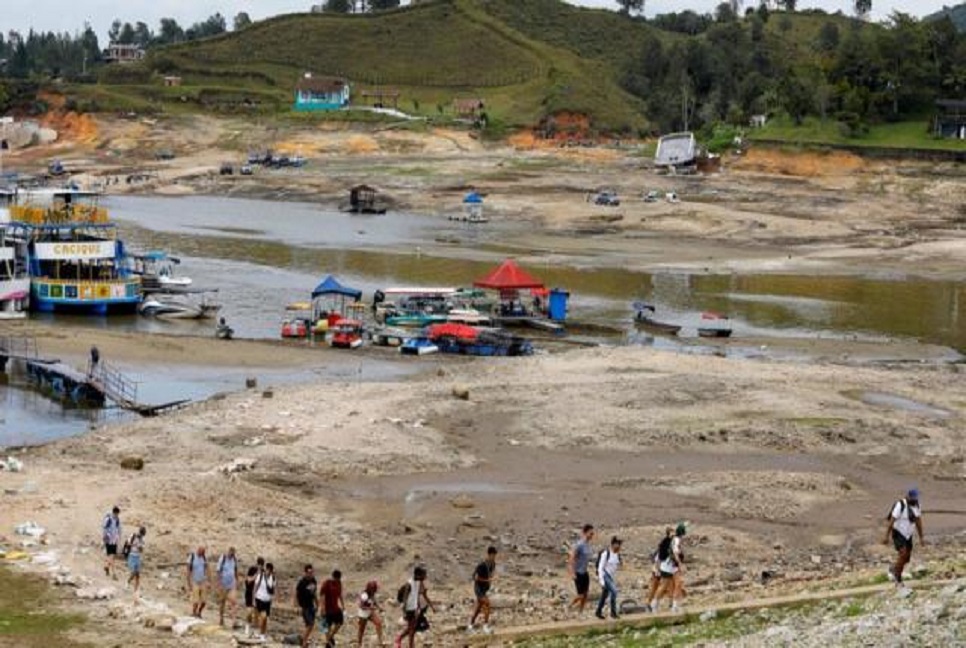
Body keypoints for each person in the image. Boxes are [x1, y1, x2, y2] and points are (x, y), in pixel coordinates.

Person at [884, 488, 925, 591]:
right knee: (903, 554)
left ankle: (894, 568)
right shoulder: (900, 505)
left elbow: (918, 522)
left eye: (916, 498)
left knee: (906, 558)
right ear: (908, 496)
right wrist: (886, 536)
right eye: (913, 498)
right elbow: (891, 521)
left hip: (908, 535)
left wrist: (921, 537)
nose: (914, 500)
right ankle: (898, 579)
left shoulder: (917, 506)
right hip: (898, 533)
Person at [395, 566, 435, 648]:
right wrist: (404, 613)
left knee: (412, 628)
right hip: (409, 609)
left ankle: (401, 640)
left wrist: (419, 607)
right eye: (423, 575)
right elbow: (405, 600)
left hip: (415, 608)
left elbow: (417, 595)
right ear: (418, 575)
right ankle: (403, 641)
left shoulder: (419, 582)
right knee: (412, 629)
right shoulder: (409, 584)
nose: (425, 577)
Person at [652, 523, 687, 613]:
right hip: (668, 566)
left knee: (678, 583)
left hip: (673, 566)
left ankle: (674, 606)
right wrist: (680, 564)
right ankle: (654, 603)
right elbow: (675, 553)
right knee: (663, 586)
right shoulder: (676, 540)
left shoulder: (675, 539)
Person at [643, 527, 674, 612]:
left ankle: (670, 604)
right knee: (655, 587)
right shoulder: (664, 544)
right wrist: (657, 569)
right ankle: (650, 604)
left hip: (664, 569)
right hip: (658, 570)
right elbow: (658, 559)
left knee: (669, 586)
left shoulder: (670, 543)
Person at [468, 546, 497, 633]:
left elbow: (491, 574)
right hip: (479, 589)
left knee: (478, 608)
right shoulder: (481, 565)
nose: (494, 557)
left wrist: (490, 580)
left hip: (485, 589)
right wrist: (487, 580)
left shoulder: (493, 564)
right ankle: (485, 626)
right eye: (493, 555)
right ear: (489, 554)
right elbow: (475, 578)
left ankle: (470, 625)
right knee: (487, 604)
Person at [567, 524, 595, 613]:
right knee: (580, 595)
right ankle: (570, 606)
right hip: (578, 572)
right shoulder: (579, 544)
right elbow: (572, 558)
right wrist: (572, 572)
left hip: (585, 572)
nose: (592, 536)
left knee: (586, 594)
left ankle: (580, 611)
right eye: (590, 533)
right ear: (585, 533)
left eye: (592, 534)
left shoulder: (588, 545)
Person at [595, 536, 622, 620]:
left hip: (610, 576)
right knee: (614, 592)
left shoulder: (617, 555)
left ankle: (598, 611)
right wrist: (601, 580)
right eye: (616, 544)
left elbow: (615, 567)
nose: (618, 546)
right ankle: (613, 612)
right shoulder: (606, 553)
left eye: (619, 545)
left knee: (604, 595)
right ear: (612, 544)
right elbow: (600, 567)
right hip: (605, 575)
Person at [295, 564, 319, 648]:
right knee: (310, 624)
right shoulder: (302, 582)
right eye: (309, 572)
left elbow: (314, 593)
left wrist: (317, 603)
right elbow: (296, 594)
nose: (311, 574)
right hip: (304, 606)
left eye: (312, 572)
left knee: (309, 624)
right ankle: (304, 642)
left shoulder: (313, 581)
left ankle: (304, 640)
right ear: (305, 572)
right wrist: (297, 606)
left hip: (311, 605)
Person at [320, 569, 345, 648]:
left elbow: (340, 594)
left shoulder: (339, 583)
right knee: (328, 626)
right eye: (335, 578)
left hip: (335, 608)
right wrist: (323, 608)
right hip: (328, 608)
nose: (336, 580)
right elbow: (322, 596)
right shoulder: (327, 583)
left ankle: (330, 637)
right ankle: (329, 643)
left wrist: (343, 604)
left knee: (340, 622)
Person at [215, 547, 239, 628]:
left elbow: (235, 570)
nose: (232, 555)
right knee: (222, 602)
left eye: (233, 554)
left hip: (231, 584)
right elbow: (218, 571)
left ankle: (234, 621)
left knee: (234, 602)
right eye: (231, 553)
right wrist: (218, 584)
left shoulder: (234, 560)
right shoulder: (223, 558)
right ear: (228, 552)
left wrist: (237, 580)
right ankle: (221, 618)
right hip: (223, 584)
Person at [356, 580, 384, 647]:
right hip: (363, 614)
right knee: (361, 630)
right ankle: (359, 644)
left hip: (370, 613)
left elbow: (374, 600)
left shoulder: (371, 593)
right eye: (374, 589)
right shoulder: (364, 595)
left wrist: (379, 607)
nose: (374, 591)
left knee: (378, 623)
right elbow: (360, 606)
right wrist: (370, 608)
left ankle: (380, 641)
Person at [254, 562, 276, 640]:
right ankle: (261, 634)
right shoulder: (260, 576)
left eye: (270, 570)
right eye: (267, 570)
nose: (268, 572)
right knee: (263, 616)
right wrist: (254, 597)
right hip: (259, 598)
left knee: (265, 618)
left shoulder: (273, 578)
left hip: (267, 601)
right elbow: (256, 586)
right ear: (265, 569)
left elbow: (272, 590)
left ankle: (262, 633)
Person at [186, 546, 209, 618]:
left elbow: (206, 568)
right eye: (201, 552)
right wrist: (188, 582)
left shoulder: (204, 558)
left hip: (202, 581)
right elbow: (188, 570)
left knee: (204, 601)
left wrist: (208, 580)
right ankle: (194, 613)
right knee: (195, 601)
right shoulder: (192, 557)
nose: (201, 553)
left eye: (203, 552)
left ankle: (199, 612)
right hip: (195, 581)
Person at [244, 557, 265, 637]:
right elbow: (248, 581)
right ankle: (247, 626)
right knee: (249, 611)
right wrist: (256, 575)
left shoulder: (263, 572)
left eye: (261, 566)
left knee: (256, 614)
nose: (260, 567)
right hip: (249, 593)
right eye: (259, 565)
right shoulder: (252, 569)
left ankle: (255, 630)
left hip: (258, 595)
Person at [126, 526, 146, 600]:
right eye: (141, 534)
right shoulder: (133, 536)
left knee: (138, 575)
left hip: (138, 557)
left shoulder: (142, 540)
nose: (141, 535)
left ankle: (136, 591)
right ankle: (128, 582)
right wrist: (135, 544)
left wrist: (140, 547)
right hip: (132, 556)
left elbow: (142, 550)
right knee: (134, 572)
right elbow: (128, 543)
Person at [102, 506, 122, 579]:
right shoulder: (108, 519)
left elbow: (119, 529)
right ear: (114, 512)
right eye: (116, 514)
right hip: (109, 540)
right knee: (112, 556)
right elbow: (104, 529)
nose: (117, 515)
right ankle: (114, 574)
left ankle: (107, 567)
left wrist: (119, 538)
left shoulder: (117, 520)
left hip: (114, 541)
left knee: (111, 556)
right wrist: (104, 538)